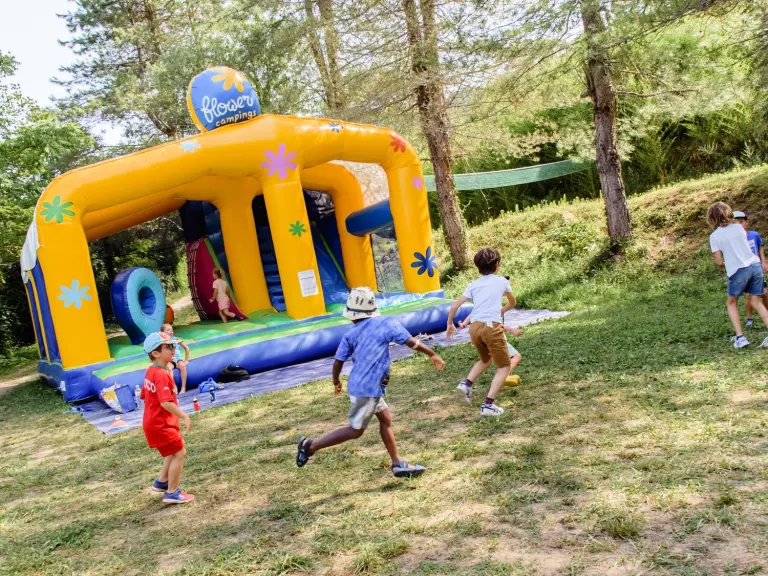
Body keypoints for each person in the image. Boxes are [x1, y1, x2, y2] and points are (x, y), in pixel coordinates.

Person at [296, 287, 445, 478]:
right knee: (355, 431)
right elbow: (411, 342)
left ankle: (397, 462)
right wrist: (431, 353)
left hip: (363, 386)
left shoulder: (350, 335)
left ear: (352, 315)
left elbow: (338, 362)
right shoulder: (386, 323)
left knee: (386, 419)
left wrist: (336, 381)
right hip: (366, 389)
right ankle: (310, 446)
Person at [446, 248, 516, 417]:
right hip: (491, 327)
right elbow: (512, 302)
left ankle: (466, 384)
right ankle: (488, 405)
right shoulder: (502, 281)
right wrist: (501, 310)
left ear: (478, 267)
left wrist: (449, 324)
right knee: (504, 366)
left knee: (486, 359)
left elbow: (455, 305)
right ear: (497, 265)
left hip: (475, 328)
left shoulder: (474, 284)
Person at [141, 333, 195, 504]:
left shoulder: (151, 371)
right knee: (180, 452)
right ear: (156, 353)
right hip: (161, 423)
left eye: (173, 345)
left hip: (153, 422)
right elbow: (165, 402)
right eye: (169, 347)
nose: (174, 349)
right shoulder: (161, 375)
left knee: (173, 449)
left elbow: (145, 395)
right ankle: (172, 493)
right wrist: (183, 415)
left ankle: (162, 482)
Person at [708, 202, 768, 349]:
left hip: (738, 271)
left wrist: (727, 263)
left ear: (711, 218)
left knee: (732, 302)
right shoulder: (739, 227)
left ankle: (740, 338)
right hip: (755, 266)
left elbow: (719, 262)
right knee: (756, 302)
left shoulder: (714, 236)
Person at [459, 314, 523, 387]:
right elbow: (493, 324)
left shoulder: (480, 310)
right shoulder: (491, 310)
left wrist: (464, 323)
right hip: (496, 339)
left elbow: (472, 313)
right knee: (516, 356)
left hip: (481, 337)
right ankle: (505, 377)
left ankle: (466, 384)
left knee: (487, 360)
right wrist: (511, 330)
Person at [733, 210, 768, 328]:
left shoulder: (754, 235)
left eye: (741, 222)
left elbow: (760, 248)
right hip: (745, 271)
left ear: (746, 222)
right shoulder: (734, 240)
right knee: (749, 296)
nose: (739, 225)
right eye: (735, 223)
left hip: (757, 268)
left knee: (765, 293)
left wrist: (764, 262)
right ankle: (749, 318)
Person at [161, 323, 190, 394]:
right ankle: (174, 386)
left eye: (172, 330)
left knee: (182, 365)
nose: (171, 332)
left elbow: (186, 348)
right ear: (162, 333)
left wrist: (186, 360)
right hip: (171, 361)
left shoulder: (175, 339)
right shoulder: (162, 342)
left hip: (178, 359)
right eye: (168, 330)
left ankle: (183, 387)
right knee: (168, 367)